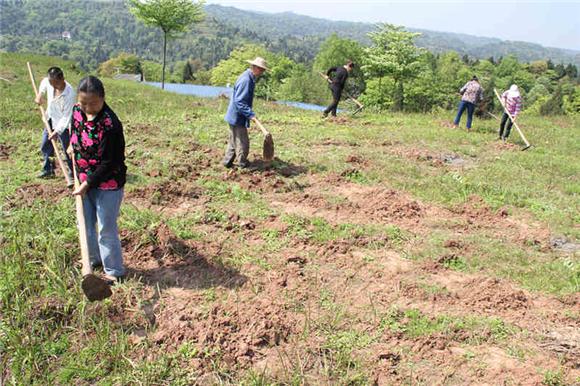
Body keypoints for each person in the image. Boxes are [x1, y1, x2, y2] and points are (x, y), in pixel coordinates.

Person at [69, 76, 127, 283]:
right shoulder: (77, 111)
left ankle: (114, 271)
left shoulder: (110, 124)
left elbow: (110, 161)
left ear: (102, 99)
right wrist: (72, 147)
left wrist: (88, 183)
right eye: (83, 102)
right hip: (83, 179)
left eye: (93, 103)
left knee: (106, 228)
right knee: (84, 224)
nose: (87, 108)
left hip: (108, 183)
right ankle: (92, 260)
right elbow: (74, 132)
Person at [223, 57, 268, 169]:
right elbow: (240, 101)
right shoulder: (246, 80)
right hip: (237, 116)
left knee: (233, 139)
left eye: (263, 70)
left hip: (234, 115)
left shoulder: (248, 77)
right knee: (243, 142)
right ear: (255, 67)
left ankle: (227, 161)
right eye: (261, 69)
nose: (262, 72)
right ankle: (243, 164)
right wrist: (250, 114)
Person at [35, 67, 75, 179]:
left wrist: (57, 131)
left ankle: (73, 173)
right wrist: (40, 95)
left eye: (56, 83)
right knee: (45, 145)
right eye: (51, 83)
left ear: (63, 79)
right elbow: (43, 83)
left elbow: (67, 116)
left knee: (67, 149)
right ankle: (48, 169)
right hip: (50, 118)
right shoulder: (48, 82)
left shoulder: (69, 93)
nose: (53, 86)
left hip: (64, 124)